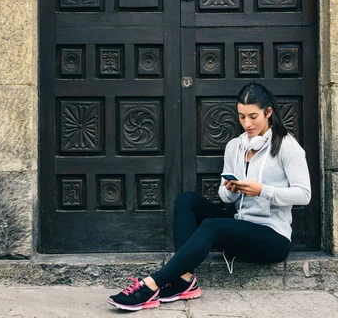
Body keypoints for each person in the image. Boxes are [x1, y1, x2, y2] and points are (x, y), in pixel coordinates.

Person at [107, 82, 311, 311]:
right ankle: (184, 279)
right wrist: (230, 190)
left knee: (212, 226)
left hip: (273, 238)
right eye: (242, 116)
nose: (247, 123)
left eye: (253, 116)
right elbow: (226, 199)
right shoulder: (235, 146)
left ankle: (152, 284)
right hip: (241, 228)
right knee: (186, 200)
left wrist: (262, 190)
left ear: (268, 112)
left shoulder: (286, 146)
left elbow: (304, 194)